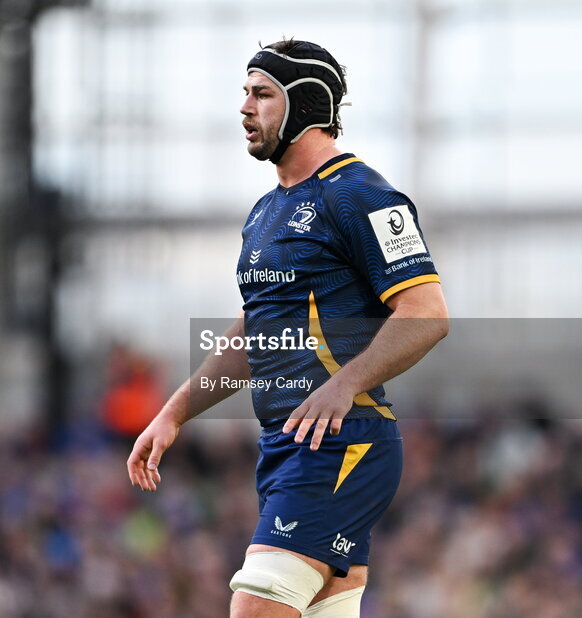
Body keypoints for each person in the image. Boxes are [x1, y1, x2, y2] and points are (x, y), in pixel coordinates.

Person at [127, 39, 449, 617]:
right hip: (286, 447)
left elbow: (426, 315)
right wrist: (173, 413)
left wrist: (343, 384)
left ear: (304, 105)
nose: (245, 107)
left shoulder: (362, 195)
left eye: (261, 93)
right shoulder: (265, 211)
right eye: (244, 93)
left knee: (254, 608)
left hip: (343, 443)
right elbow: (258, 332)